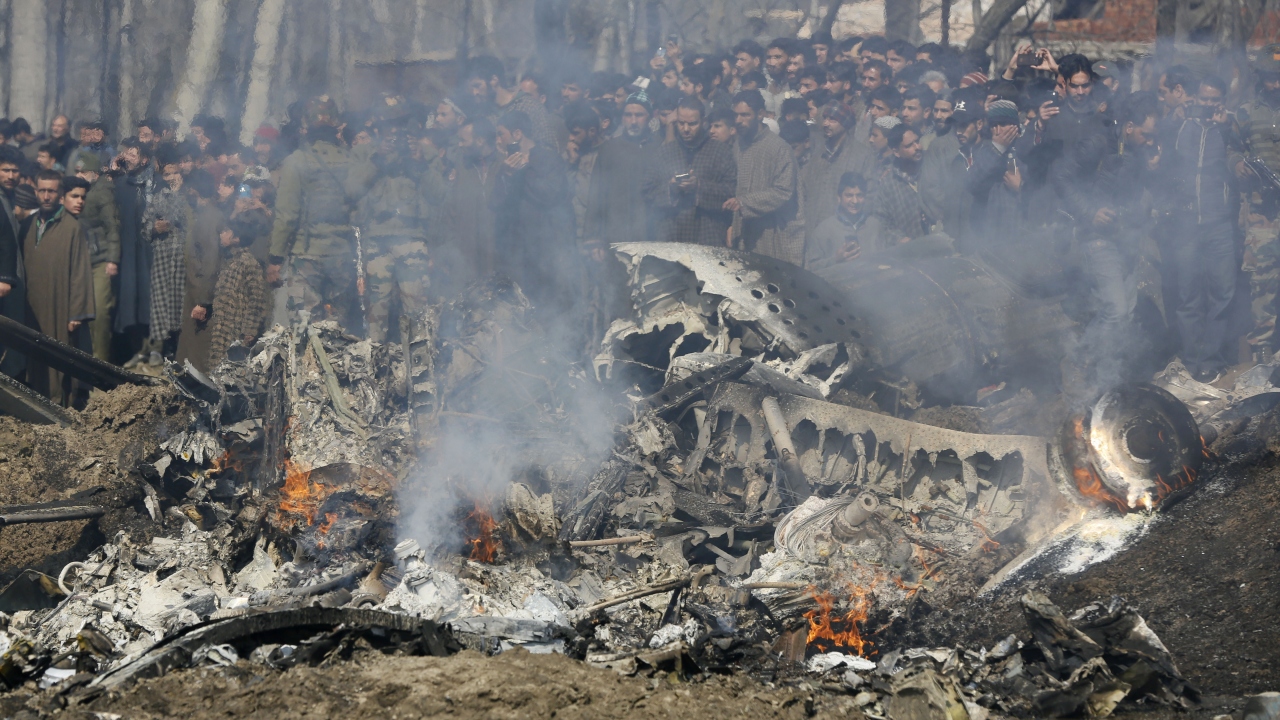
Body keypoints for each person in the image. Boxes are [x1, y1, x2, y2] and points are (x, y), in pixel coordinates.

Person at [1053, 92, 1161, 386]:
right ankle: (1086, 366)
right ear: (1128, 127)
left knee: (1124, 312)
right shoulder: (1097, 144)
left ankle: (1111, 376)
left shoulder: (1139, 153)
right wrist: (1089, 212)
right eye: (1146, 134)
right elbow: (1060, 175)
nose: (1150, 141)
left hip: (1126, 240)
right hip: (1097, 239)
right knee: (1114, 311)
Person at [1160, 77, 1243, 383]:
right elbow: (1158, 151)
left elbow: (1243, 154)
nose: (1209, 105)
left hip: (1220, 222)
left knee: (1223, 291)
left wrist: (1225, 127)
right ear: (1196, 97)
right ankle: (1192, 359)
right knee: (1188, 295)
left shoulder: (1229, 127)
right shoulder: (1180, 124)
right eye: (1205, 99)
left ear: (1222, 100)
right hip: (1185, 223)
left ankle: (1213, 358)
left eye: (1215, 99)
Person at [268, 96, 362, 330]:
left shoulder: (296, 162)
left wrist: (275, 259)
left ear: (306, 125)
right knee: (340, 330)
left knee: (305, 330)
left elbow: (287, 216)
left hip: (306, 257)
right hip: (341, 255)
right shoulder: (351, 161)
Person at [347, 99, 434, 343]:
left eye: (400, 123)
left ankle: (419, 367)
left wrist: (420, 163)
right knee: (376, 312)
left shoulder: (423, 153)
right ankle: (376, 366)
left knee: (416, 310)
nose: (394, 131)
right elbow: (351, 190)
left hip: (412, 239)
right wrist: (377, 161)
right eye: (389, 125)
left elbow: (439, 195)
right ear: (377, 127)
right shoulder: (363, 154)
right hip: (376, 242)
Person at [493, 109, 574, 313]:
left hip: (545, 248)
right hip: (517, 251)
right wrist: (506, 175)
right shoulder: (504, 164)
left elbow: (550, 194)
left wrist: (523, 172)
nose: (498, 140)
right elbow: (495, 203)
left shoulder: (547, 158)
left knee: (548, 306)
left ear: (517, 134)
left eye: (501, 133)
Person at [24, 171, 94, 404]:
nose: (46, 196)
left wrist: (76, 312)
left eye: (51, 191)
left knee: (60, 357)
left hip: (60, 304)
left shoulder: (72, 228)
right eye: (42, 191)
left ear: (60, 194)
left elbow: (80, 273)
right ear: (36, 192)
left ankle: (58, 405)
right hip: (32, 306)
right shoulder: (27, 225)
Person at [725, 90, 804, 264]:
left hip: (773, 233)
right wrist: (732, 224)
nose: (738, 120)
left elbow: (783, 191)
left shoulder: (779, 148)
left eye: (745, 115)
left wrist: (745, 202)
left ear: (760, 114)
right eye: (736, 115)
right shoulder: (738, 145)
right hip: (744, 230)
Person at [1237, 44, 1280, 361]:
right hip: (1262, 211)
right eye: (1269, 78)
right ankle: (1262, 354)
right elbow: (1231, 148)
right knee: (1262, 284)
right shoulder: (1245, 113)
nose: (1276, 84)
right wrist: (1236, 165)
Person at [648, 97, 737, 246]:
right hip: (671, 235)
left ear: (703, 121)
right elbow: (648, 191)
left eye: (692, 124)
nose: (686, 129)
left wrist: (699, 186)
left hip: (708, 235)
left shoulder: (721, 151)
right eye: (681, 123)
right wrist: (670, 188)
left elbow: (732, 191)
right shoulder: (665, 152)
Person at [143, 147, 191, 361]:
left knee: (179, 303)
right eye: (167, 174)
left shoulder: (189, 196)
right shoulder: (156, 197)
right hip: (161, 256)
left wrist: (177, 195)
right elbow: (144, 226)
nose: (171, 178)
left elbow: (185, 220)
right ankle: (157, 348)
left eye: (175, 173)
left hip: (182, 257)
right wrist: (154, 228)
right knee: (159, 303)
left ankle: (178, 347)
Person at [113, 137, 157, 365]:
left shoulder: (156, 184)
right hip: (128, 253)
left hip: (151, 254)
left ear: (145, 159)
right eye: (126, 152)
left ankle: (154, 352)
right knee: (129, 301)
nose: (128, 157)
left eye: (133, 153)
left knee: (151, 302)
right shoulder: (121, 185)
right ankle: (135, 351)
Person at [73, 152, 121, 361]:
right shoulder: (77, 191)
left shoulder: (102, 193)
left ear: (93, 173)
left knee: (100, 312)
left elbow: (113, 228)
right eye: (77, 171)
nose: (79, 175)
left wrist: (112, 260)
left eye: (83, 172)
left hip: (100, 260)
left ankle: (101, 361)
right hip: (79, 261)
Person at [174, 170, 223, 373]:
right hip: (195, 292)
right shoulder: (205, 216)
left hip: (201, 296)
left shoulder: (209, 219)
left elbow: (211, 261)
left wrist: (203, 301)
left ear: (195, 190)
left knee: (197, 353)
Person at [206, 216, 267, 368]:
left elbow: (257, 299)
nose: (221, 234)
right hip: (222, 326)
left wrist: (249, 331)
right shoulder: (230, 261)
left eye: (226, 231)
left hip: (237, 330)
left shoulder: (249, 263)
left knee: (233, 368)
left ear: (237, 238)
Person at [801, 102, 866, 240]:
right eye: (825, 119)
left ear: (845, 124)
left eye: (832, 120)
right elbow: (805, 189)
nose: (826, 124)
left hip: (844, 231)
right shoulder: (818, 154)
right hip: (814, 228)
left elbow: (868, 195)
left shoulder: (862, 155)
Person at [806, 172, 881, 269]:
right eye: (849, 195)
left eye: (859, 195)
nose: (855, 201)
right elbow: (811, 268)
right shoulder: (823, 230)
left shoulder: (874, 225)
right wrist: (835, 260)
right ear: (839, 198)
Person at [0, 146, 25, 378]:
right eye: (5, 170)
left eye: (15, 171)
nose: (10, 175)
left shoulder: (11, 197)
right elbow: (4, 239)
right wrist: (4, 277)